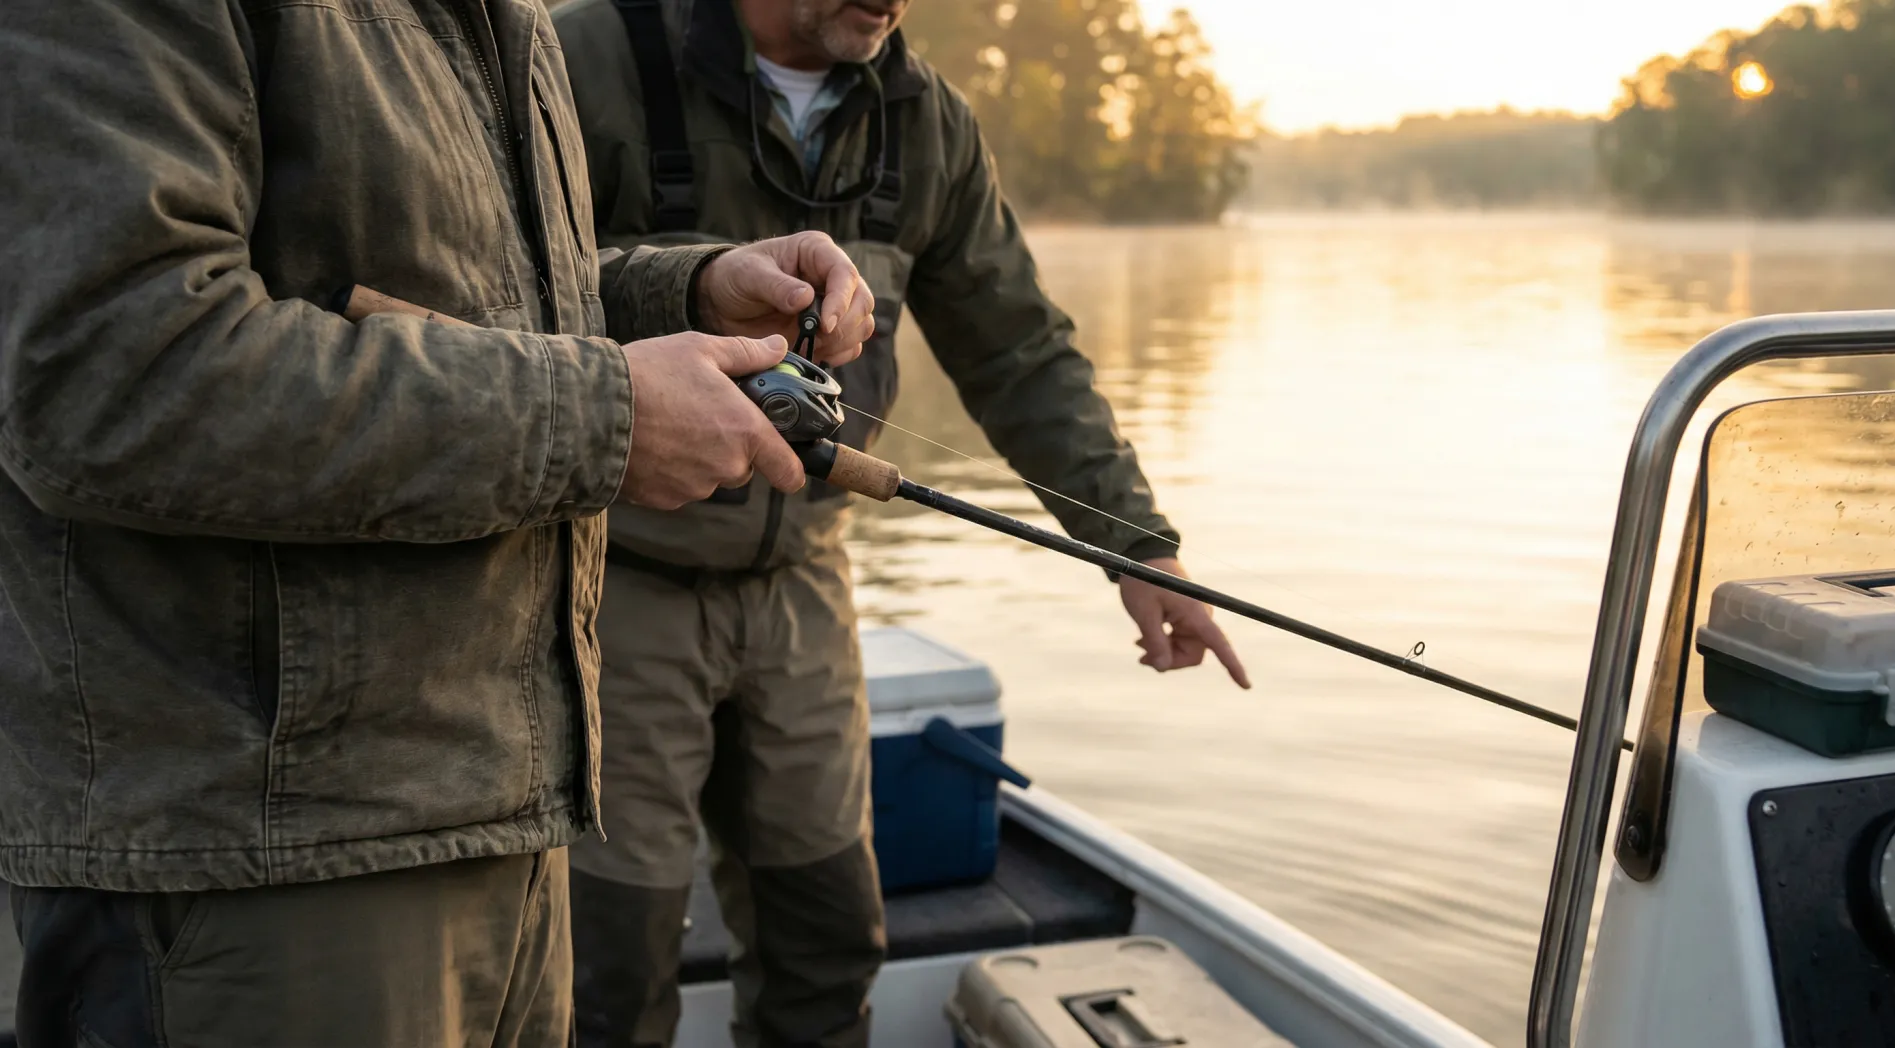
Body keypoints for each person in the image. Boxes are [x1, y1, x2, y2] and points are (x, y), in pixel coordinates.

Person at [0, 2, 876, 1045]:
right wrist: (608, 414)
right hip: (258, 871)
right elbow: (111, 376)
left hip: (503, 826)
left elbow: (467, 308)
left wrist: (681, 298)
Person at [549, 1, 1253, 1044]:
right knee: (606, 976)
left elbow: (1019, 352)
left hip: (804, 587)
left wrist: (1138, 546)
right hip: (607, 583)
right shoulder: (579, 56)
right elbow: (485, 300)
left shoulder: (929, 122)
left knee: (829, 944)